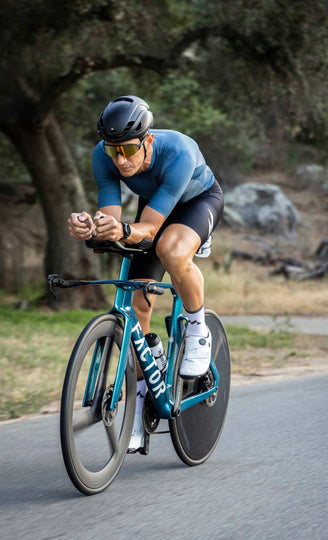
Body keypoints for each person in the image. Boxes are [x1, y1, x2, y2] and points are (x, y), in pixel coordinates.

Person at [68, 95, 224, 452]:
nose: (120, 160)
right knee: (138, 306)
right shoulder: (103, 156)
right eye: (113, 151)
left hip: (196, 202)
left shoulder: (179, 152)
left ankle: (199, 331)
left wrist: (124, 229)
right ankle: (139, 408)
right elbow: (110, 215)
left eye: (128, 150)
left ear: (148, 140)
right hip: (153, 208)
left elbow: (149, 229)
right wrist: (89, 227)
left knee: (170, 249)